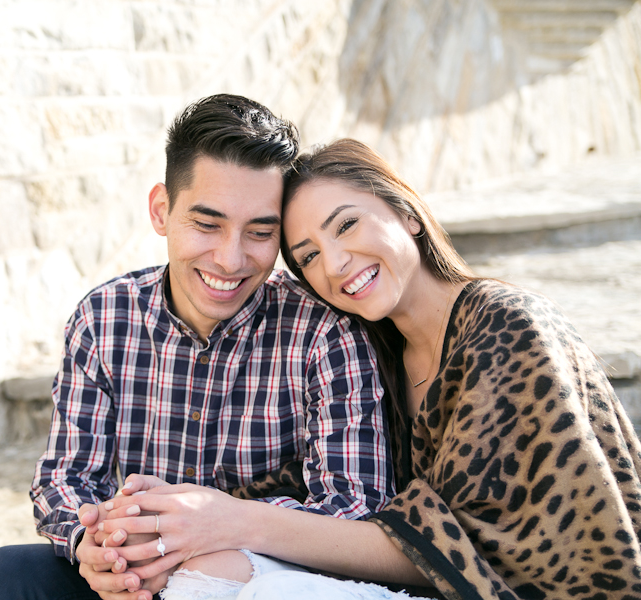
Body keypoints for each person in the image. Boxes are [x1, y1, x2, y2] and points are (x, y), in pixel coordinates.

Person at [97, 138, 641, 599]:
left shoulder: (507, 327)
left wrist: (233, 519)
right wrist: (148, 524)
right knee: (206, 573)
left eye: (347, 225)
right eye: (307, 255)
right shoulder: (380, 348)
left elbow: (457, 546)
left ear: (406, 212)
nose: (334, 264)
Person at [0, 100, 395, 600]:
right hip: (135, 568)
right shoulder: (103, 318)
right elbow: (67, 475)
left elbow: (353, 505)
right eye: (207, 225)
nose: (231, 260)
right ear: (161, 211)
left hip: (260, 579)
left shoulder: (323, 331)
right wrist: (96, 543)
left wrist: (217, 531)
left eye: (260, 232)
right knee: (6, 574)